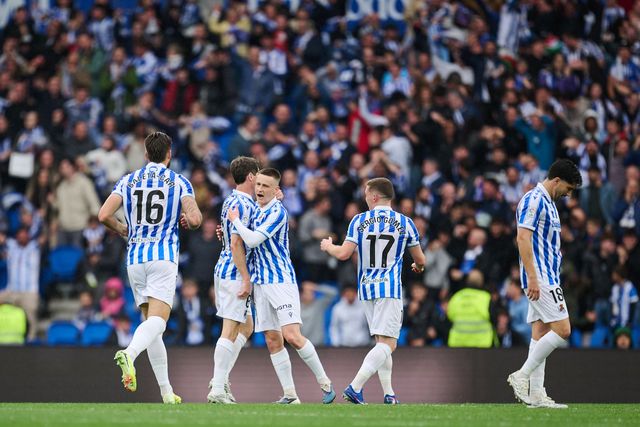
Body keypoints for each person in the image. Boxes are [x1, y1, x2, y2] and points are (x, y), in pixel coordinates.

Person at [98, 131, 202, 404]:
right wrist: (188, 218)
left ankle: (166, 393)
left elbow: (103, 214)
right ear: (169, 154)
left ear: (145, 154)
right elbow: (195, 219)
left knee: (152, 326)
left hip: (135, 259)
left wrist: (121, 228)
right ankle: (129, 353)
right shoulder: (178, 181)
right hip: (162, 257)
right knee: (159, 322)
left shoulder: (128, 180)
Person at [228, 168, 336, 404]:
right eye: (258, 185)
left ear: (276, 190)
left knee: (292, 336)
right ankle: (290, 395)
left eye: (266, 186)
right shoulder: (255, 208)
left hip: (280, 281)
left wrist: (235, 221)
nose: (259, 189)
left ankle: (325, 383)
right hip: (260, 283)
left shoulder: (278, 212)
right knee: (272, 339)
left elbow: (253, 240)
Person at [320, 177, 426, 405]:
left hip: (366, 288)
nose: (365, 197)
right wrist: (418, 266)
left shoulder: (359, 220)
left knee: (381, 342)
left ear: (375, 196)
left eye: (366, 193)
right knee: (389, 344)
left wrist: (328, 246)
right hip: (389, 288)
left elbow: (343, 254)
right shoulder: (405, 222)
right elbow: (420, 259)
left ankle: (389, 394)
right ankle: (355, 387)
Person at [507, 159, 582, 409]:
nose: (568, 194)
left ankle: (537, 394)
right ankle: (521, 375)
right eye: (568, 188)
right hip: (540, 277)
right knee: (563, 330)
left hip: (548, 275)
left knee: (540, 334)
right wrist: (532, 277)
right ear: (557, 180)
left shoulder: (549, 203)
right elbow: (522, 238)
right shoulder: (534, 200)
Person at [207, 156, 259, 404]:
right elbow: (237, 243)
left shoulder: (230, 199)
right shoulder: (245, 204)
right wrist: (246, 278)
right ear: (251, 176)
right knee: (229, 330)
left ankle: (221, 377)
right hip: (235, 273)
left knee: (247, 326)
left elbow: (229, 236)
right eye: (258, 176)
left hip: (225, 267)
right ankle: (218, 387)